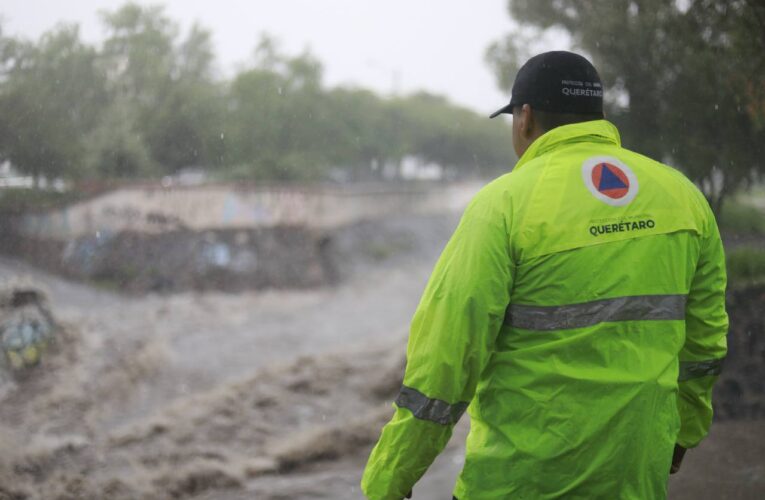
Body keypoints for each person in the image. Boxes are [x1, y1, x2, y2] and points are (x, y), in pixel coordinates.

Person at [360, 51, 728, 499]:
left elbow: (447, 359)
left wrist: (388, 480)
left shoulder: (504, 205)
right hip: (633, 476)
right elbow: (704, 340)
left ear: (525, 118)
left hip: (519, 482)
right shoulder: (682, 197)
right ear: (599, 116)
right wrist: (684, 430)